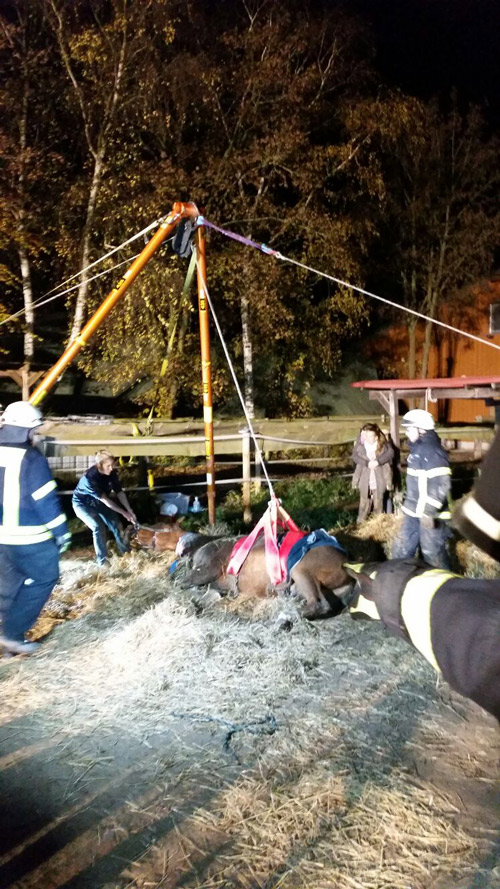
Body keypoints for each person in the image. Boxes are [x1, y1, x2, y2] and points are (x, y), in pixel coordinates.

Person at [0, 401, 71, 655]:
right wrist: (61, 532)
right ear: (25, 429)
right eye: (34, 430)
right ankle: (12, 635)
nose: (35, 434)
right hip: (29, 537)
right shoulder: (31, 458)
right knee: (45, 577)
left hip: (1, 539)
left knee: (8, 584)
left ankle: (3, 635)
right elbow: (45, 500)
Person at [391, 409, 451, 568]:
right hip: (413, 513)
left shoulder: (433, 452)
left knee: (432, 554)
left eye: (410, 429)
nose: (407, 433)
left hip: (430, 516)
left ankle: (445, 587)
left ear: (422, 429)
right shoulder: (418, 451)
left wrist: (429, 510)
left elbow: (442, 483)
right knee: (401, 550)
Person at [72, 449, 136, 567]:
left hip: (99, 502)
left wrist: (129, 510)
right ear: (100, 465)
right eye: (108, 466)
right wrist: (124, 513)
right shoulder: (90, 478)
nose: (111, 468)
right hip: (83, 504)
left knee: (117, 525)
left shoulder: (111, 473)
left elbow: (119, 492)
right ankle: (103, 562)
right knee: (98, 526)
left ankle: (127, 556)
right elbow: (106, 500)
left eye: (112, 465)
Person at [352, 423, 394, 523]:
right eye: (365, 435)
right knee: (363, 505)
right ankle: (360, 525)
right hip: (365, 483)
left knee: (378, 504)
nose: (366, 438)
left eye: (369, 436)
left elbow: (387, 468)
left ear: (376, 438)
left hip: (378, 482)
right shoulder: (361, 449)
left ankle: (377, 525)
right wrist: (355, 481)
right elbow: (358, 467)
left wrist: (388, 482)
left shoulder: (382, 450)